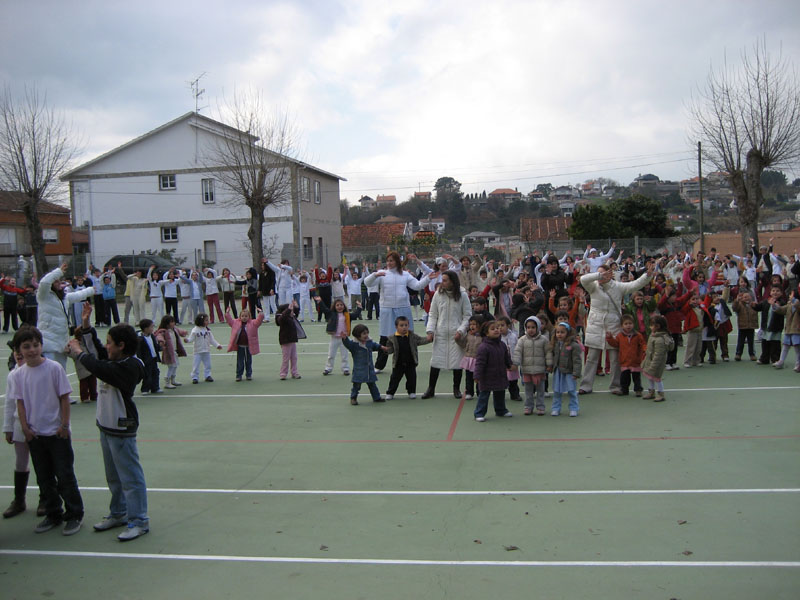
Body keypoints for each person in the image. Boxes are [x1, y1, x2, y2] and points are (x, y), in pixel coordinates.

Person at [66, 323, 149, 541]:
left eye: (110, 342)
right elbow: (99, 354)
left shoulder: (131, 365)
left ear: (121, 346)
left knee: (130, 477)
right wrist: (86, 329)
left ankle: (139, 520)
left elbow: (98, 366)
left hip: (122, 428)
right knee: (113, 476)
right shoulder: (115, 360)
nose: (106, 346)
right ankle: (119, 513)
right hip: (106, 426)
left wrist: (78, 352)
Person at [11, 326, 84, 535]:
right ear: (19, 350)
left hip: (56, 433)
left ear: (41, 346)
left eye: (36, 345)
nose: (32, 350)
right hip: (35, 435)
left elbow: (64, 398)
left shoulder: (53, 368)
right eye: (27, 347)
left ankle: (74, 514)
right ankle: (53, 513)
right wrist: (25, 428)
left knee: (65, 475)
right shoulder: (19, 374)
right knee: (44, 478)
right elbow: (21, 403)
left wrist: (64, 425)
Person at [578, 262, 653, 395]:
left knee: (614, 359)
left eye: (604, 273)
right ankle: (586, 385)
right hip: (595, 325)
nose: (600, 276)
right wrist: (598, 275)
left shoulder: (617, 287)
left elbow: (634, 285)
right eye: (599, 273)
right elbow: (583, 279)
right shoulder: (593, 286)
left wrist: (647, 275)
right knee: (591, 358)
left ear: (610, 274)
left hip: (613, 326)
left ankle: (615, 386)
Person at [363, 251, 430, 373]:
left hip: (403, 309)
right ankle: (379, 365)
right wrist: (375, 275)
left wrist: (429, 278)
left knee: (406, 337)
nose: (389, 263)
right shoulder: (382, 274)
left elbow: (417, 285)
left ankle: (408, 363)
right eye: (388, 260)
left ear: (397, 262)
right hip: (386, 309)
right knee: (385, 338)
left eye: (392, 260)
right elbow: (367, 283)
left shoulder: (405, 275)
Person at [3, 334, 44, 519]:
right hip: (20, 426)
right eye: (17, 354)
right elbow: (10, 404)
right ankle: (19, 499)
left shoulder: (42, 370)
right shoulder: (13, 376)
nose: (19, 357)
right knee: (21, 462)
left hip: (39, 426)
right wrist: (8, 428)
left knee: (42, 463)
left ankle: (45, 498)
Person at [37, 263, 96, 370]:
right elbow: (44, 282)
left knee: (61, 374)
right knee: (48, 373)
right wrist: (58, 271)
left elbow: (77, 295)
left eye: (59, 280)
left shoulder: (63, 298)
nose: (58, 282)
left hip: (61, 345)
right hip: (48, 344)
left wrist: (91, 290)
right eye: (55, 280)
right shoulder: (43, 296)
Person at [422, 271, 471, 399]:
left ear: (452, 281)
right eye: (442, 280)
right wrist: (430, 331)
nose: (442, 283)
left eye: (445, 280)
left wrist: (460, 331)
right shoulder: (438, 295)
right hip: (441, 333)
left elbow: (467, 316)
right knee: (436, 361)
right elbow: (433, 314)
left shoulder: (463, 295)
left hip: (456, 335)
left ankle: (456, 388)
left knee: (457, 363)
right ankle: (431, 388)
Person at [382, 315, 431, 400]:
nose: (404, 327)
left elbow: (420, 340)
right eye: (401, 325)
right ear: (396, 327)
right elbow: (390, 350)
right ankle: (390, 393)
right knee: (394, 379)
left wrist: (429, 339)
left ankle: (411, 391)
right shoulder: (392, 338)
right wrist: (386, 350)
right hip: (398, 363)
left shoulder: (412, 336)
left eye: (406, 325)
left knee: (412, 378)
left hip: (410, 362)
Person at [473, 319, 513, 422]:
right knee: (484, 395)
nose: (496, 330)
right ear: (486, 333)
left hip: (500, 374)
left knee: (500, 393)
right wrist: (477, 376)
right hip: (487, 376)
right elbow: (480, 363)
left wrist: (509, 364)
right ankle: (479, 413)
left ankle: (501, 410)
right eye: (492, 329)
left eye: (497, 328)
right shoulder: (484, 347)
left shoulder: (502, 345)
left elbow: (506, 357)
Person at [513, 316, 551, 416]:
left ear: (538, 327)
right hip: (527, 370)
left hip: (540, 370)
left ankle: (540, 407)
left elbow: (548, 353)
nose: (530, 330)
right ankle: (528, 407)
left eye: (533, 327)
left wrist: (549, 364)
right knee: (528, 391)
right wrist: (515, 363)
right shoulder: (522, 340)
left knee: (540, 391)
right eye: (528, 327)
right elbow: (517, 352)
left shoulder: (544, 340)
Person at [342, 324, 388, 405]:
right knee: (356, 386)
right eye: (364, 333)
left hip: (369, 369)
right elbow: (347, 344)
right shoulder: (354, 345)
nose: (366, 335)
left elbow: (375, 345)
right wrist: (345, 338)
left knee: (372, 384)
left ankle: (376, 397)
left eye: (367, 333)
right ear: (357, 335)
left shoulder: (369, 342)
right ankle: (353, 398)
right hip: (359, 370)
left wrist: (381, 347)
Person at [605, 314, 646, 397]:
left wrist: (645, 350)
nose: (628, 326)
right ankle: (624, 390)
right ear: (622, 326)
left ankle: (638, 390)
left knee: (636, 378)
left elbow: (643, 344)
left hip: (636, 361)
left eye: (630, 323)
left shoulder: (638, 335)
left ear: (633, 324)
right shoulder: (620, 336)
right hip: (624, 361)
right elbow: (615, 344)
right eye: (626, 324)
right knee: (624, 378)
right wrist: (610, 338)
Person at [72, 303, 105, 403]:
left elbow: (91, 341)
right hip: (82, 368)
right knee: (84, 384)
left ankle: (94, 395)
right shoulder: (76, 345)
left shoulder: (95, 348)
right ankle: (85, 397)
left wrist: (86, 321)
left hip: (92, 368)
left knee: (92, 383)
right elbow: (90, 339)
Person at [548, 322, 583, 417]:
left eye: (562, 332)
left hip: (569, 372)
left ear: (568, 333)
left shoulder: (574, 345)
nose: (559, 334)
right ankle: (556, 408)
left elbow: (577, 361)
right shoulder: (554, 344)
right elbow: (552, 356)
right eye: (557, 332)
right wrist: (550, 366)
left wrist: (576, 373)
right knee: (557, 391)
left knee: (572, 391)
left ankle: (573, 408)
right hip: (558, 371)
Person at [225, 307, 265, 381]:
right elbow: (229, 321)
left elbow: (259, 320)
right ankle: (239, 375)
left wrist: (261, 313)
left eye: (246, 316)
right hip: (240, 346)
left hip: (249, 346)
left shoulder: (253, 323)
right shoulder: (235, 323)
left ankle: (248, 374)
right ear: (240, 316)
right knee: (240, 361)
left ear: (249, 317)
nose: (244, 318)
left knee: (248, 361)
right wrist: (227, 313)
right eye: (242, 316)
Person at [642, 315, 674, 402]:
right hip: (650, 360)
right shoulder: (653, 336)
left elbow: (658, 355)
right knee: (650, 377)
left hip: (656, 362)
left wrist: (653, 365)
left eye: (652, 325)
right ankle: (651, 391)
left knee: (657, 378)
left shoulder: (659, 339)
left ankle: (660, 393)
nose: (650, 327)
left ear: (658, 326)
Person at [317, 297, 351, 376]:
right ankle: (328, 368)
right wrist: (320, 301)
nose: (340, 307)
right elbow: (325, 309)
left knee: (344, 355)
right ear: (334, 307)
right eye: (338, 305)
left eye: (341, 305)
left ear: (344, 306)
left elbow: (355, 315)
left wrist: (359, 308)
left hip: (344, 339)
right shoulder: (332, 314)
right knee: (331, 354)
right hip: (334, 338)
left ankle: (345, 369)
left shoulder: (347, 315)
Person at [184, 313, 222, 384]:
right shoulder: (195, 330)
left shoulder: (208, 330)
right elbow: (191, 338)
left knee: (208, 365)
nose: (208, 321)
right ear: (201, 321)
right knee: (196, 365)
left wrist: (217, 345)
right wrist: (187, 340)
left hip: (206, 350)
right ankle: (195, 377)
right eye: (206, 320)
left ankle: (207, 375)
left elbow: (212, 340)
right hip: (197, 351)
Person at [154, 315, 187, 389]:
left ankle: (173, 380)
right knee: (171, 366)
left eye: (173, 321)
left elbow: (180, 331)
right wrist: (161, 341)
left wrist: (184, 332)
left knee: (175, 365)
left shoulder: (174, 329)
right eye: (172, 322)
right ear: (167, 323)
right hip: (168, 352)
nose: (173, 323)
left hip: (174, 351)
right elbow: (159, 336)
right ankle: (167, 381)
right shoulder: (164, 331)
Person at [772, 285, 800, 371]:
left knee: (797, 347)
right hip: (788, 328)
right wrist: (775, 306)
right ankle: (781, 361)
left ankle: (798, 363)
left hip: (797, 329)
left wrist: (795, 301)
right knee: (785, 345)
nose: (789, 296)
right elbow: (781, 310)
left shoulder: (797, 304)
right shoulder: (789, 304)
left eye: (791, 294)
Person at [275, 301, 304, 380]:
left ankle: (294, 372)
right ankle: (283, 373)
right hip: (285, 341)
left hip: (292, 340)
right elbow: (281, 319)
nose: (293, 312)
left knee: (294, 357)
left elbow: (296, 314)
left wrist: (296, 307)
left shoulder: (291, 318)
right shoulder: (283, 319)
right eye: (291, 311)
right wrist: (288, 310)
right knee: (286, 358)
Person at [458, 315, 484, 400]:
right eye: (470, 324)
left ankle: (480, 392)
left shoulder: (483, 337)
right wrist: (457, 340)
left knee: (479, 377)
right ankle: (469, 392)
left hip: (478, 360)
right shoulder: (468, 335)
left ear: (480, 325)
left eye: (474, 324)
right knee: (469, 376)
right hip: (469, 359)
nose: (472, 326)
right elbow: (463, 344)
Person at [136, 319, 162, 395]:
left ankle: (155, 387)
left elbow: (155, 346)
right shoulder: (140, 338)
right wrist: (141, 360)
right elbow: (139, 351)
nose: (152, 329)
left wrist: (160, 348)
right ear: (146, 328)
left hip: (153, 358)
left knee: (155, 373)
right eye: (151, 327)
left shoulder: (152, 336)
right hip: (146, 360)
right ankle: (145, 388)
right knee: (147, 374)